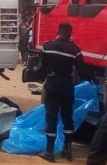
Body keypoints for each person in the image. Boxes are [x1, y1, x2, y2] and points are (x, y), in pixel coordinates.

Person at [38, 22, 89, 162]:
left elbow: (41, 67)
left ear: (58, 31)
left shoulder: (47, 47)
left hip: (53, 85)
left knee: (51, 117)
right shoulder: (75, 50)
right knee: (67, 117)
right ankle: (68, 149)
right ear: (70, 33)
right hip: (67, 85)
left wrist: (41, 74)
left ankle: (49, 151)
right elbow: (82, 71)